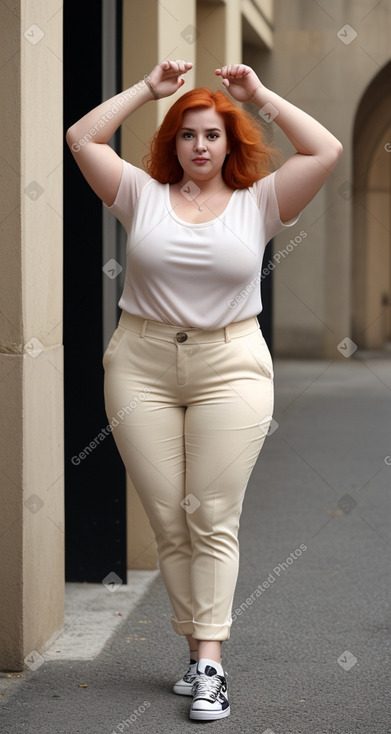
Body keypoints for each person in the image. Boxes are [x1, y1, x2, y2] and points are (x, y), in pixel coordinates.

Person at [66, 59, 342, 722]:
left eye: (212, 135)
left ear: (229, 143)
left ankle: (211, 663)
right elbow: (81, 139)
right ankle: (196, 654)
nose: (199, 146)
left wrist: (256, 95)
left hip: (231, 367)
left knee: (210, 515)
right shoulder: (141, 195)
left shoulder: (262, 203)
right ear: (172, 142)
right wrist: (147, 90)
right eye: (187, 134)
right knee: (170, 519)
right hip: (141, 365)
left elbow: (325, 148)